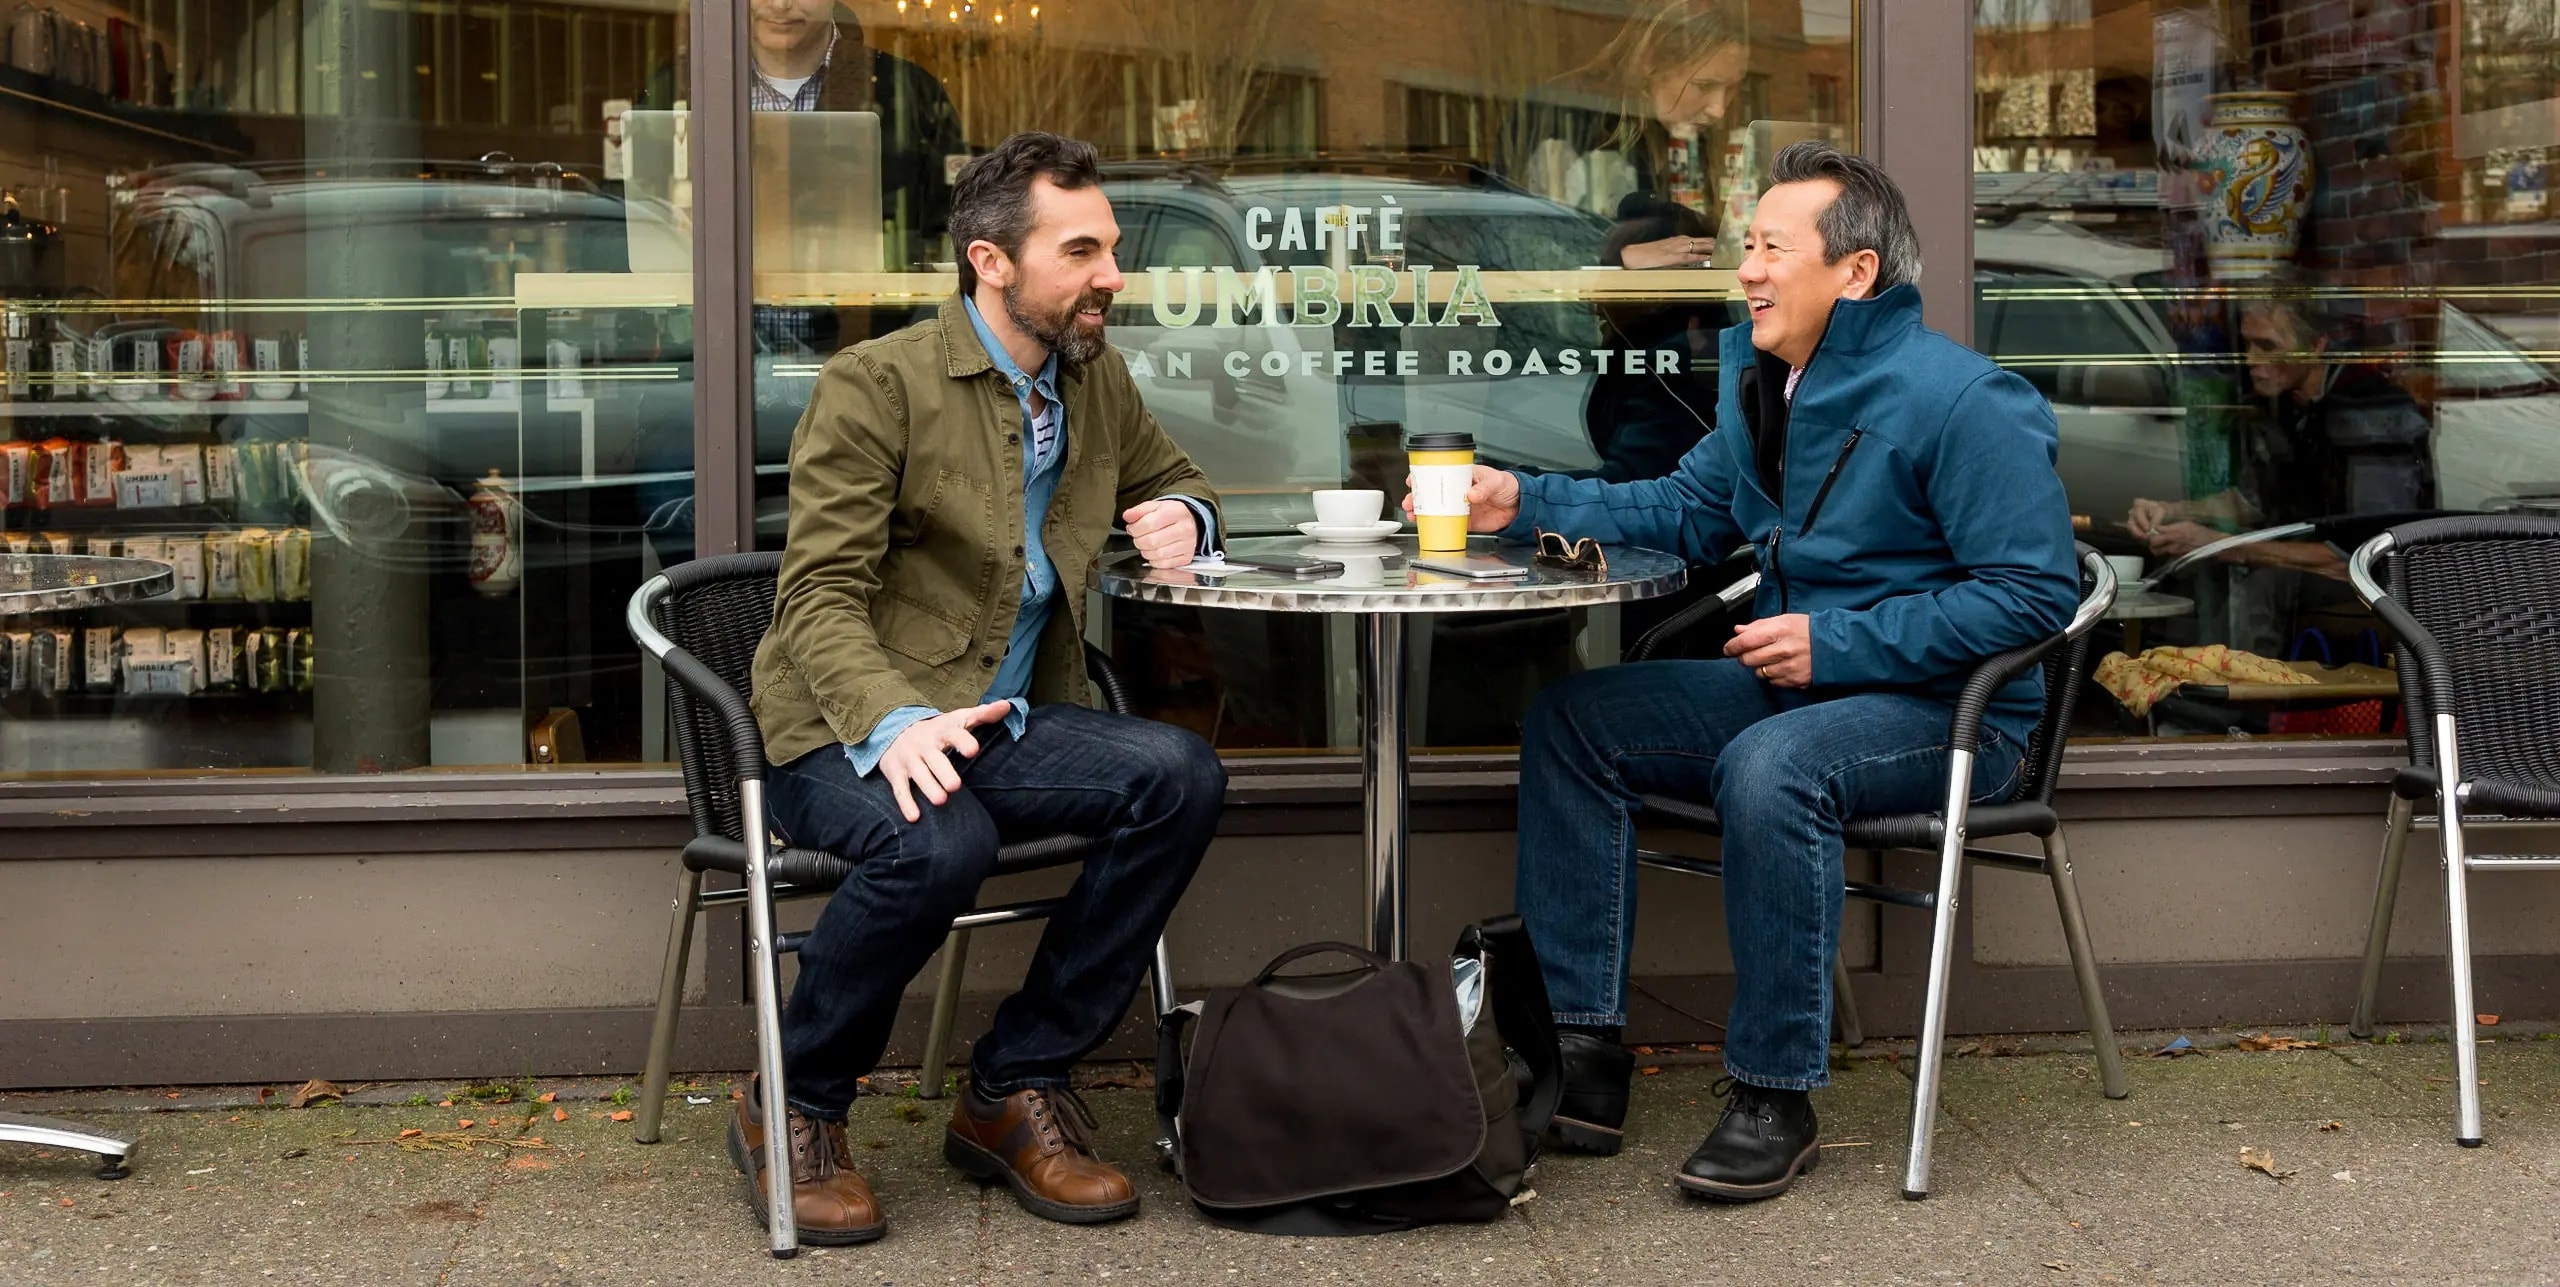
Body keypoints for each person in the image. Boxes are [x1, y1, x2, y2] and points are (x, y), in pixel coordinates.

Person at [1413, 141, 2078, 1201]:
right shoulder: (1765, 382)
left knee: (1772, 767)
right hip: (1802, 694)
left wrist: (1836, 643)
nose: (1747, 271)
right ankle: (1580, 1054)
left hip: (1954, 717)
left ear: (1854, 272)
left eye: (1772, 248)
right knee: (1577, 721)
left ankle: (1774, 1094)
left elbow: (2032, 594)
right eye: (1748, 246)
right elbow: (1682, 508)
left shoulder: (1966, 399)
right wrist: (1521, 501)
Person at [742, 132, 1228, 1243]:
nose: (1113, 276)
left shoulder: (1094, 381)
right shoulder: (876, 385)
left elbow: (1179, 476)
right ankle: (796, 1100)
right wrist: (894, 722)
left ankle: (1014, 1084)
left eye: (1111, 249)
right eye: (1081, 252)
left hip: (1003, 720)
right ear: (991, 262)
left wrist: (1184, 516)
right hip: (841, 731)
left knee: (1181, 776)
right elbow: (815, 594)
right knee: (937, 842)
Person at [2123, 290, 2434, 656]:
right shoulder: (2286, 407)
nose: (2251, 360)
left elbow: (2362, 552)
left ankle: (2242, 688)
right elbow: (2259, 501)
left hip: (2378, 579)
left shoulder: (2369, 414)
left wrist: (2222, 545)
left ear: (2315, 347)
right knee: (2187, 564)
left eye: (2268, 346)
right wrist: (2172, 512)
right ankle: (2180, 677)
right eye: (2248, 345)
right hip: (2316, 562)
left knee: (2265, 582)